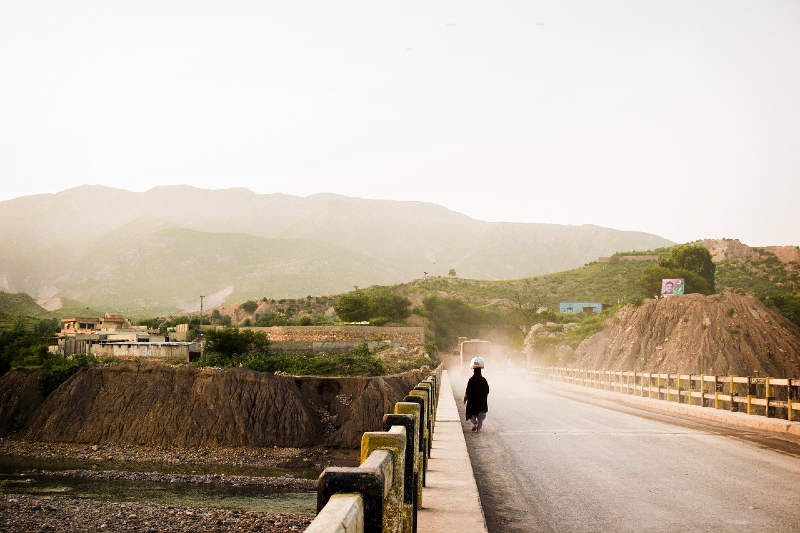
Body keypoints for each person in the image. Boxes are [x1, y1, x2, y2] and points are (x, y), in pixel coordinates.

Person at [463, 356, 490, 433]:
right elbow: (487, 390)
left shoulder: (471, 380)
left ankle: (475, 423)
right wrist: (483, 397)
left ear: (474, 371)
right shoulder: (484, 380)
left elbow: (467, 391)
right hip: (482, 402)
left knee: (472, 414)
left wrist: (465, 399)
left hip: (472, 402)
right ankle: (479, 429)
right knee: (481, 416)